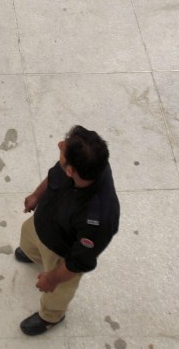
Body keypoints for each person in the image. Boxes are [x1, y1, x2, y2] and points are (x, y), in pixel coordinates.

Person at [15, 125, 120, 335]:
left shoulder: (98, 219)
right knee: (28, 242)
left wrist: (52, 278)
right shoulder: (84, 162)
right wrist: (37, 195)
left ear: (71, 170)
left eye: (62, 149)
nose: (59, 145)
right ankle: (36, 258)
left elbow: (78, 261)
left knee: (59, 290)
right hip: (43, 222)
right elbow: (53, 175)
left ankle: (51, 317)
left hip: (61, 252)